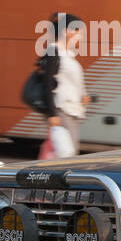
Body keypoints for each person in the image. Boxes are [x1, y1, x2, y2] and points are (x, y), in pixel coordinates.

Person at [42, 12, 90, 158]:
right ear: (66, 32)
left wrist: (83, 96)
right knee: (67, 156)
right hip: (61, 111)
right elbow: (48, 83)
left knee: (67, 154)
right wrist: (51, 114)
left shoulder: (68, 54)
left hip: (71, 111)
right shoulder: (53, 51)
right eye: (78, 32)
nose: (80, 37)